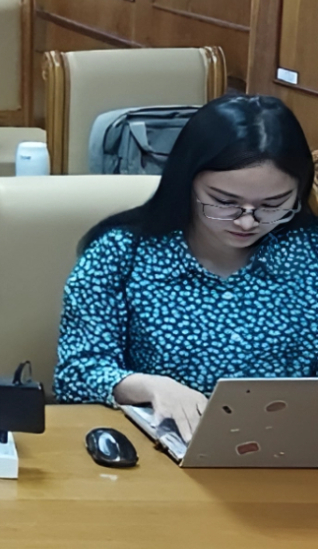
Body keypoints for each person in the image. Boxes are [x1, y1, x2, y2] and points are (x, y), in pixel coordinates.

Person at [54, 95, 318, 440]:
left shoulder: (307, 254)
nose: (247, 221)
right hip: (159, 448)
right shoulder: (123, 254)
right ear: (187, 180)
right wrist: (150, 387)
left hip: (288, 450)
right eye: (225, 202)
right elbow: (76, 373)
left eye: (273, 205)